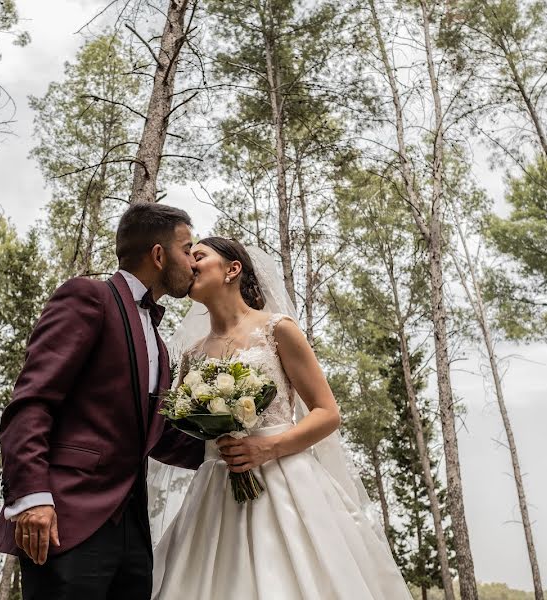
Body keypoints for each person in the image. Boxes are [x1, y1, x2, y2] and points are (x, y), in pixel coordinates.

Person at [151, 237, 413, 600]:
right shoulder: (191, 356)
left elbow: (327, 413)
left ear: (232, 269)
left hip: (284, 481)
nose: (190, 265)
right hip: (215, 491)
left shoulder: (278, 330)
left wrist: (265, 449)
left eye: (199, 256)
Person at [0, 203, 204, 600]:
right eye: (188, 249)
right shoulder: (88, 297)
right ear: (159, 255)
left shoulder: (157, 341)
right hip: (65, 517)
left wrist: (230, 449)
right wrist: (32, 497)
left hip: (133, 533)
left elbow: (157, 435)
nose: (194, 263)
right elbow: (32, 402)